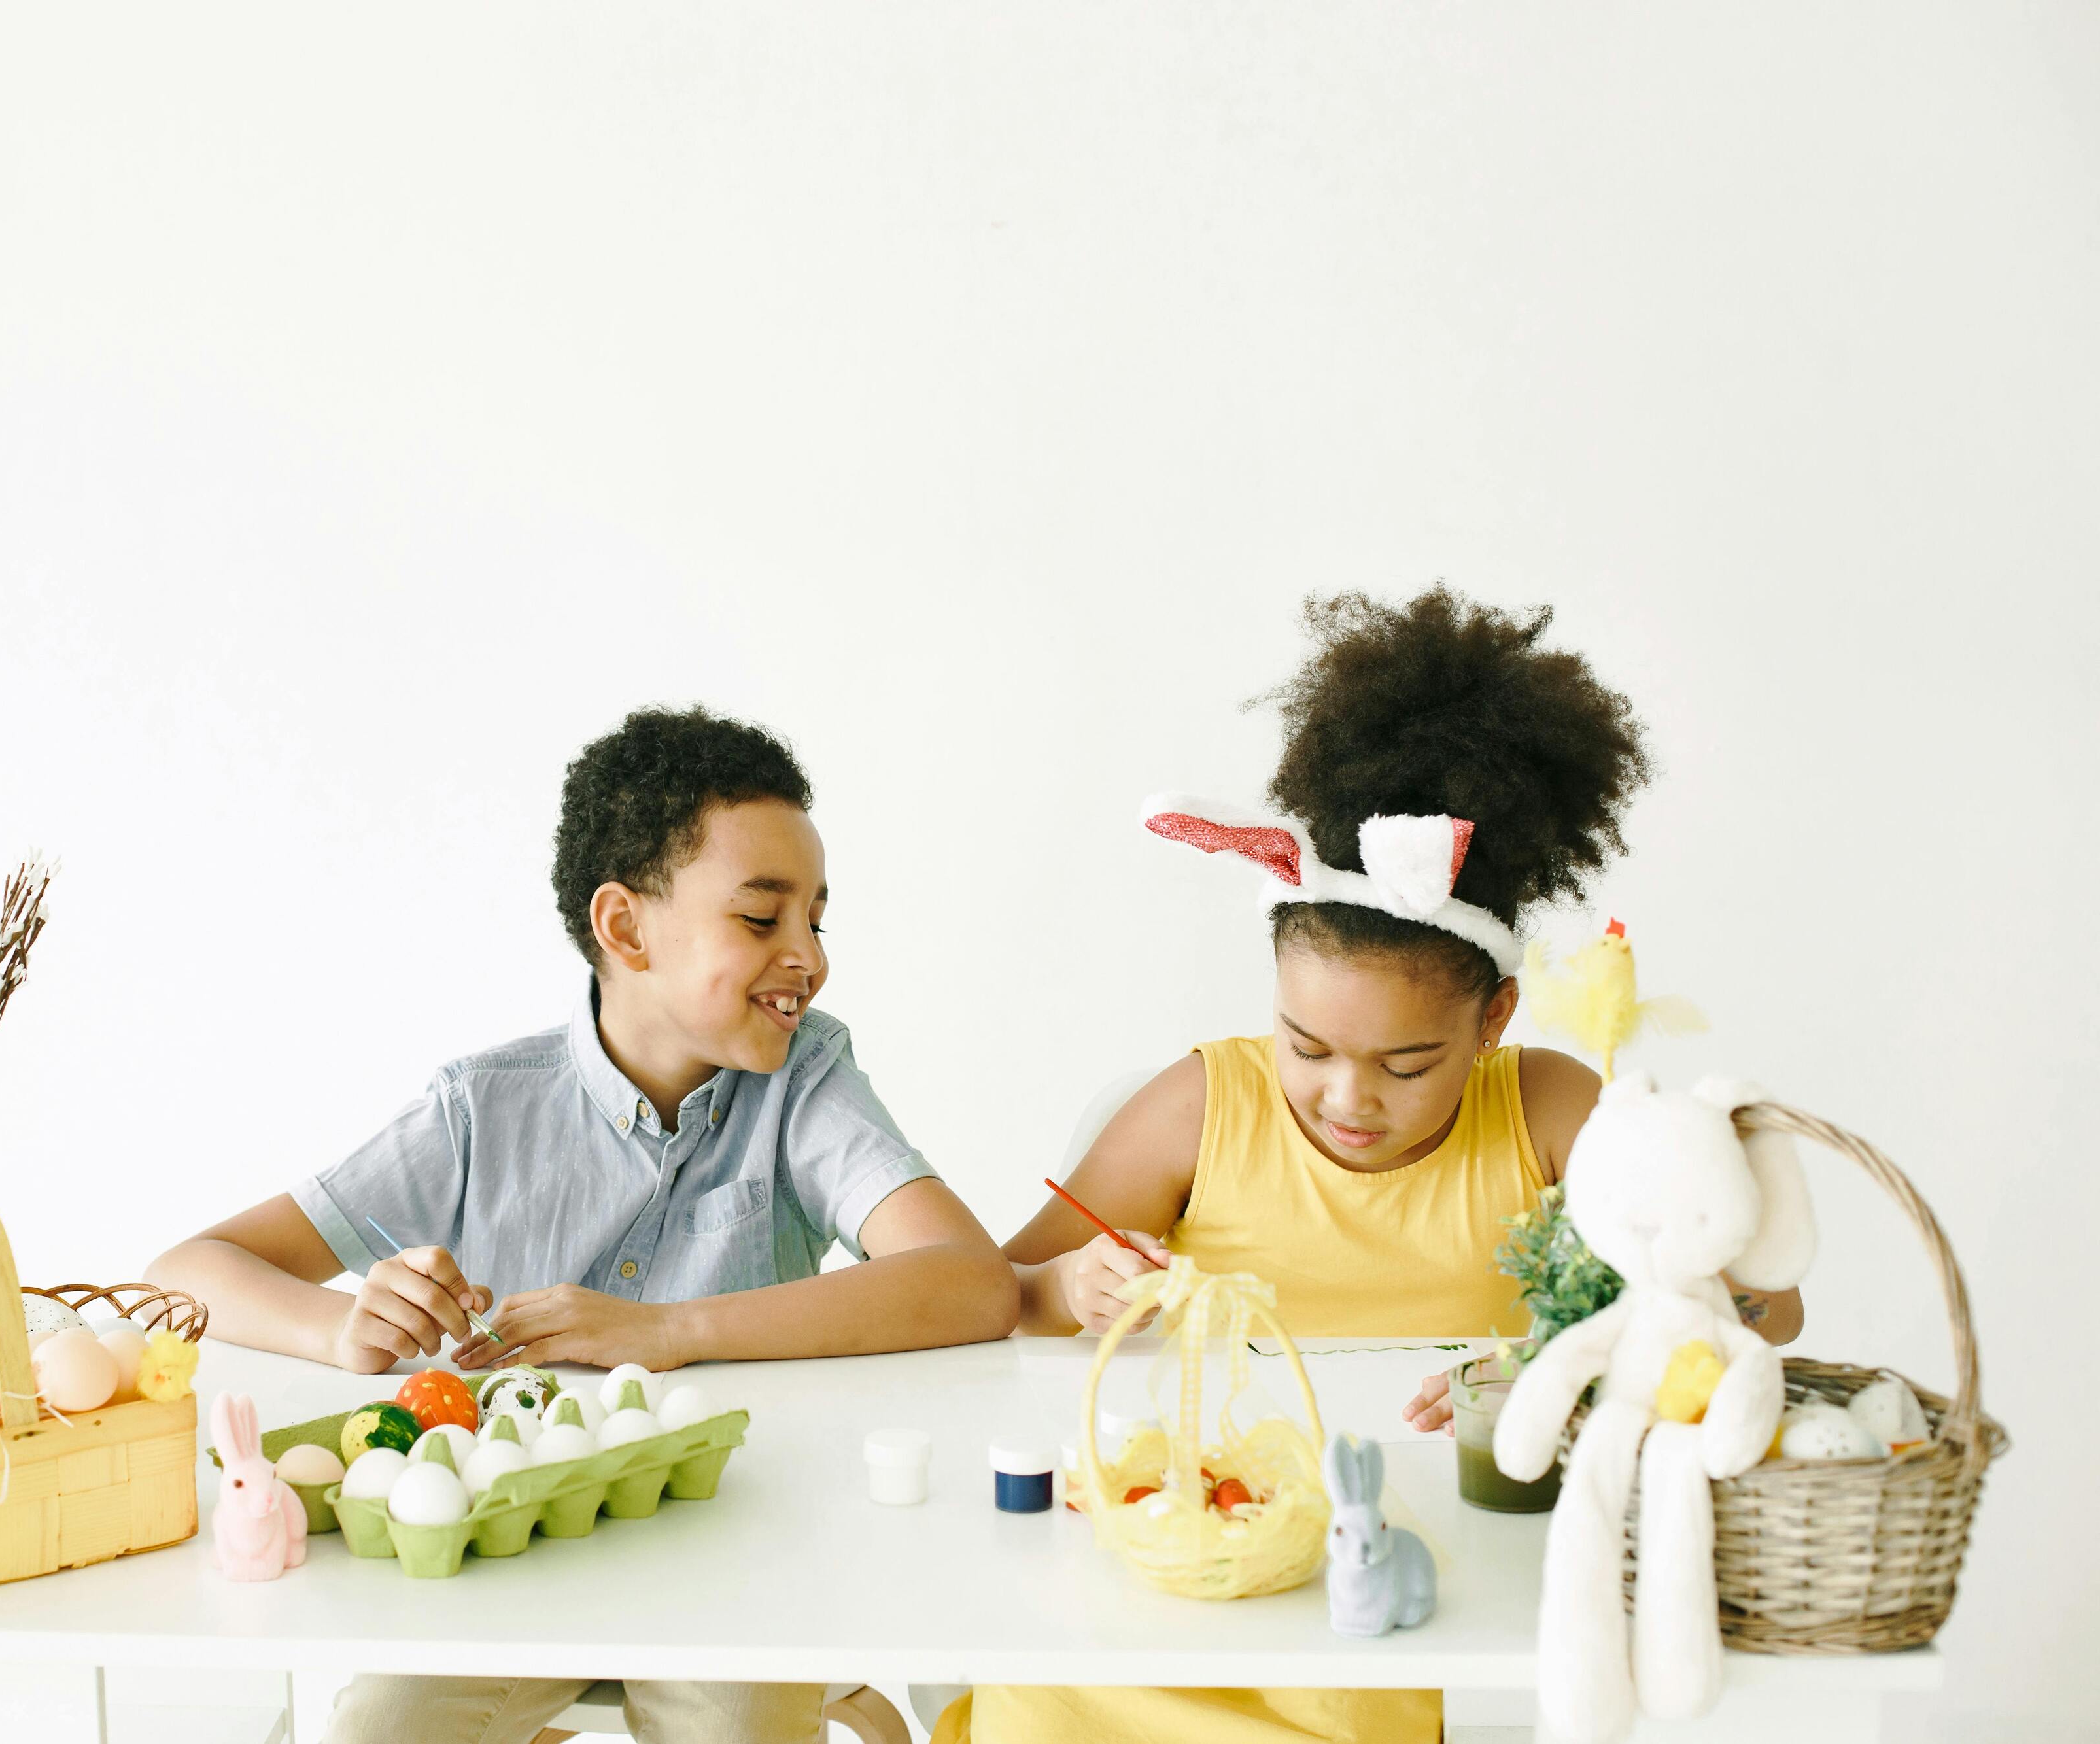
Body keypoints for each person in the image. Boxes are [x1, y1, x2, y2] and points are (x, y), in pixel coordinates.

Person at [943, 589, 1801, 1744]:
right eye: (1306, 1047)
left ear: (1494, 1019)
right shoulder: (1198, 1107)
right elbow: (993, 1297)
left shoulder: (1549, 1108)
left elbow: (1759, 1310)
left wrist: (1552, 1365)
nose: (1347, 1098)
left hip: (1416, 1568)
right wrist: (1071, 1289)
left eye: (1406, 1063)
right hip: (1195, 1551)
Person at [151, 704, 1016, 1744]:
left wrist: (670, 1333)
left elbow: (969, 1279)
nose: (809, 958)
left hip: (740, 1555)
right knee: (377, 1732)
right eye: (761, 918)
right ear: (625, 927)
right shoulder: (484, 1109)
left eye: (816, 921)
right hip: (509, 1562)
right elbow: (186, 1274)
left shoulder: (807, 1080)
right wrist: (337, 1329)